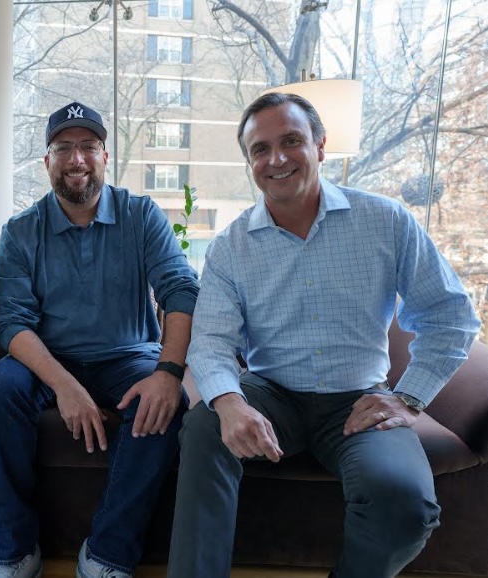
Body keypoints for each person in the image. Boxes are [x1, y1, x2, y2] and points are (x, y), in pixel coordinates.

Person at [167, 92, 481, 578]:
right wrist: (229, 403)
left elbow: (450, 315)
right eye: (260, 149)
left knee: (407, 506)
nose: (276, 159)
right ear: (249, 161)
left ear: (319, 147)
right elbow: (210, 341)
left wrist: (409, 399)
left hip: (358, 400)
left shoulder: (386, 221)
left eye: (291, 141)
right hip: (270, 394)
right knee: (206, 424)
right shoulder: (230, 246)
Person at [0, 102, 199, 578]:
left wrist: (168, 372)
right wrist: (65, 387)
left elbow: (181, 290)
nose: (76, 159)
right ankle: (14, 551)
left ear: (105, 156)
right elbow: (12, 324)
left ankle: (106, 555)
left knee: (166, 399)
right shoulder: (20, 232)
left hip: (127, 356)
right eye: (63, 148)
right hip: (49, 357)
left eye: (87, 147)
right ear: (47, 161)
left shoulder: (142, 216)